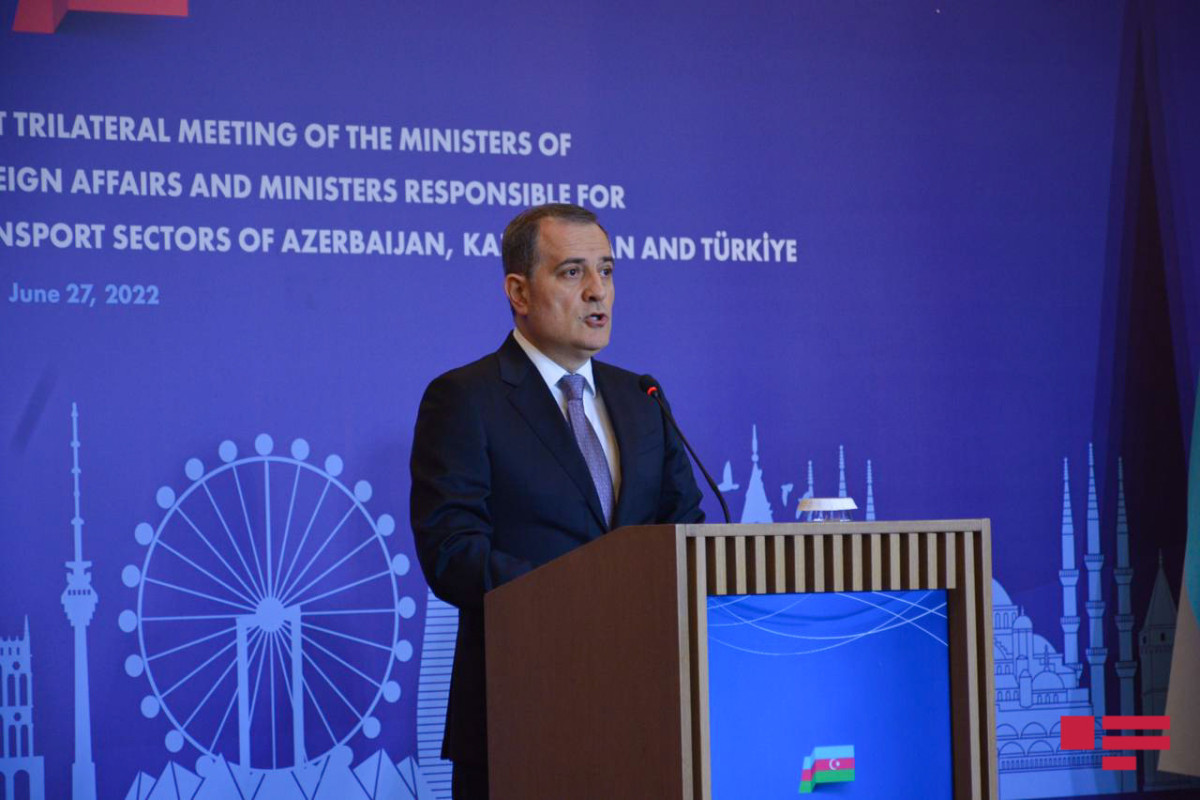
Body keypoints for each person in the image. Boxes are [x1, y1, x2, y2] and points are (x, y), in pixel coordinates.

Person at [409, 203, 705, 799]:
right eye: (573, 272)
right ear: (519, 292)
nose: (598, 290)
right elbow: (452, 552)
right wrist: (581, 594)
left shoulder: (642, 396)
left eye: (607, 270)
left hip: (649, 713)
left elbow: (684, 532)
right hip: (521, 713)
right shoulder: (466, 398)